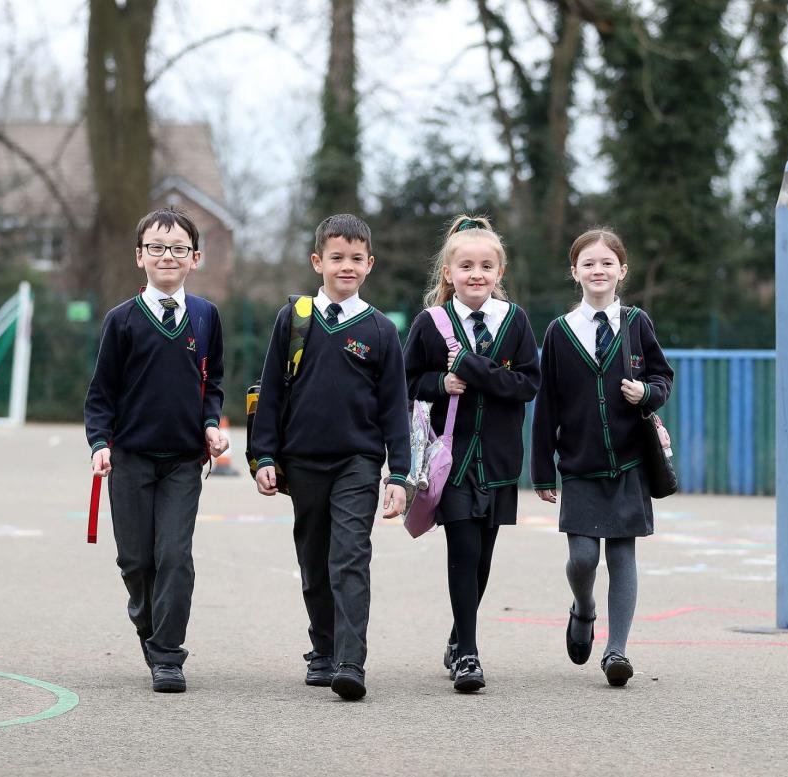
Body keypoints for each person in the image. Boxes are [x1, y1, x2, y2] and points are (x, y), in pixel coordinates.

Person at [248, 213, 410, 701]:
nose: (346, 266)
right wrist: (263, 456)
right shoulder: (293, 319)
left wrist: (399, 474)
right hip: (302, 464)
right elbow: (272, 392)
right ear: (318, 261)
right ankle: (321, 649)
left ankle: (349, 661)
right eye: (336, 257)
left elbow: (394, 409)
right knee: (314, 561)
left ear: (370, 265)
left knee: (350, 557)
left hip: (357, 463)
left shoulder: (381, 330)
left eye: (356, 259)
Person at [85, 206, 229, 693]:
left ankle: (168, 653)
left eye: (179, 249)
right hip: (129, 460)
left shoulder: (207, 317)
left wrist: (211, 424)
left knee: (174, 555)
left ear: (196, 257)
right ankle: (150, 631)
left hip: (183, 463)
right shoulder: (121, 321)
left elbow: (214, 382)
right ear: (140, 256)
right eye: (157, 248)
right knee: (136, 562)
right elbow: (101, 393)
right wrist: (99, 443)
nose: (168, 256)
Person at [530, 227, 673, 687]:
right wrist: (540, 469)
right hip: (579, 465)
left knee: (623, 556)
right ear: (575, 272)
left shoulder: (637, 323)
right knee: (584, 559)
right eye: (588, 263)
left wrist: (646, 391)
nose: (598, 270)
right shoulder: (558, 332)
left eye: (607, 263)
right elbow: (546, 404)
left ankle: (617, 652)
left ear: (621, 271)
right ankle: (584, 608)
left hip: (629, 462)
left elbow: (662, 377)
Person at [403, 215, 540, 693]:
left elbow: (526, 384)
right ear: (448, 273)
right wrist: (441, 382)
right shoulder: (430, 323)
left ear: (499, 272)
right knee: (462, 550)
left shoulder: (515, 321)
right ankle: (469, 655)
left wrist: (471, 368)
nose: (476, 273)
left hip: (500, 459)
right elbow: (407, 380)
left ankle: (458, 634)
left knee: (483, 555)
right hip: (452, 459)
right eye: (466, 266)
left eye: (486, 265)